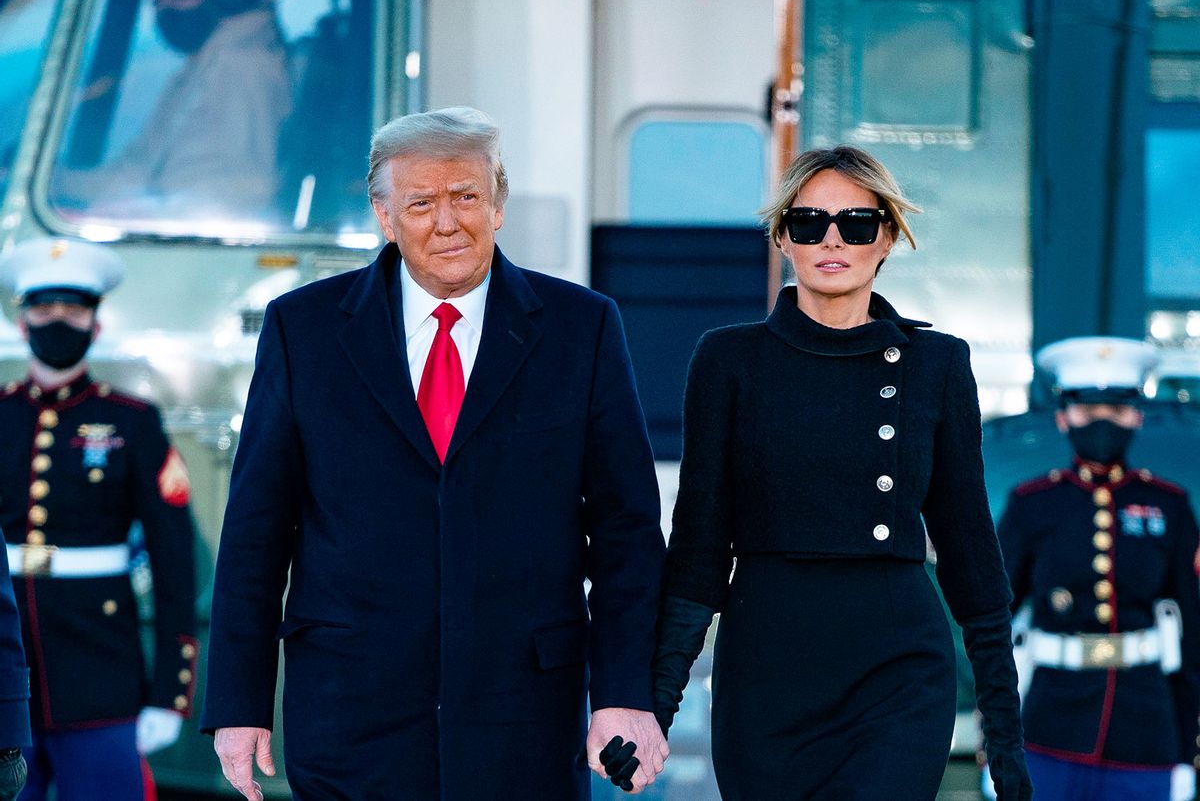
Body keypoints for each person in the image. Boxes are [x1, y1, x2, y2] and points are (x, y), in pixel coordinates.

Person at [201, 107, 668, 800]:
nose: (446, 223)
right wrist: (238, 704)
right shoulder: (303, 331)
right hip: (350, 713)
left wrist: (625, 693)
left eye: (466, 197)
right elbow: (255, 534)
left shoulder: (583, 328)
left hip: (525, 722)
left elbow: (627, 528)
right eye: (421, 203)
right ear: (386, 217)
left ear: (499, 204)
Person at [644, 146, 1032, 799]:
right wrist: (655, 709)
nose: (832, 239)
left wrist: (1004, 729)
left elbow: (970, 549)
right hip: (769, 664)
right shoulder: (728, 360)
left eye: (855, 223)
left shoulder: (934, 364)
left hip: (896, 665)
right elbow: (699, 545)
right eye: (808, 223)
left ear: (886, 237)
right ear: (782, 238)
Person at [0, 237, 199, 801]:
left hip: (99, 675)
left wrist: (168, 692)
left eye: (74, 308)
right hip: (5, 682)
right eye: (44, 307)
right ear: (22, 321)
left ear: (96, 324)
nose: (58, 320)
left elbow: (173, 564)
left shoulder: (131, 422)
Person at [998, 337, 1200, 800]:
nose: (1103, 421)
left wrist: (1187, 749)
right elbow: (994, 621)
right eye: (1090, 411)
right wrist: (998, 736)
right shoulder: (1034, 505)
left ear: (1136, 417)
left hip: (1145, 729)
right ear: (1063, 418)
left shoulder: (1167, 505)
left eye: (1116, 408)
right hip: (1049, 727)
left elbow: (1193, 634)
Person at [50, 0, 292, 219]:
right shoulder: (202, 68)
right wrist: (50, 181)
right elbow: (134, 173)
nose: (166, 13)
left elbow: (236, 197)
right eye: (157, 2)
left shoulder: (243, 67)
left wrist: (129, 217)